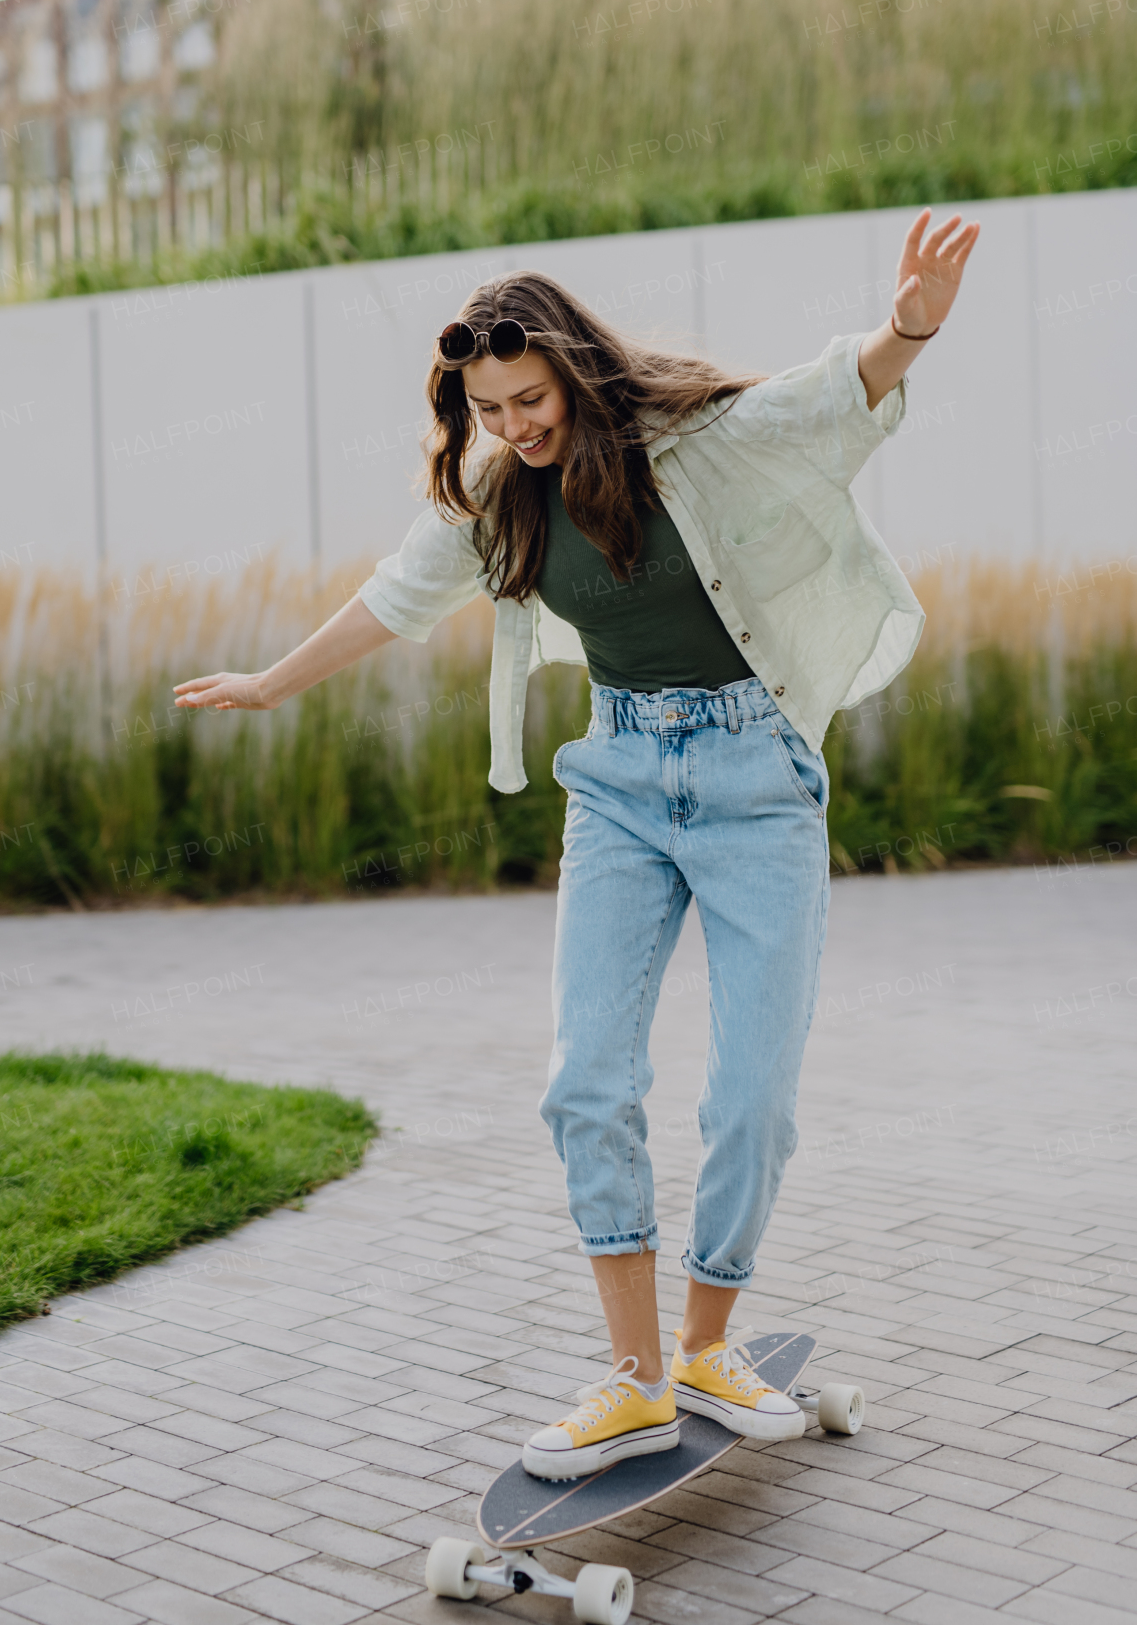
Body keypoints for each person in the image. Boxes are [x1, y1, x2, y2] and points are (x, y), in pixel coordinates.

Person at [175, 206, 980, 1481]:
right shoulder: (498, 500)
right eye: (487, 410)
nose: (512, 427)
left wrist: (908, 327)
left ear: (572, 369)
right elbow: (397, 593)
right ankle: (632, 1378)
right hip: (613, 785)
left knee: (750, 1100)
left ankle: (709, 1342)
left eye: (528, 399)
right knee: (585, 1084)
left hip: (753, 780)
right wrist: (273, 681)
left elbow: (832, 398)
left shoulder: (693, 441)